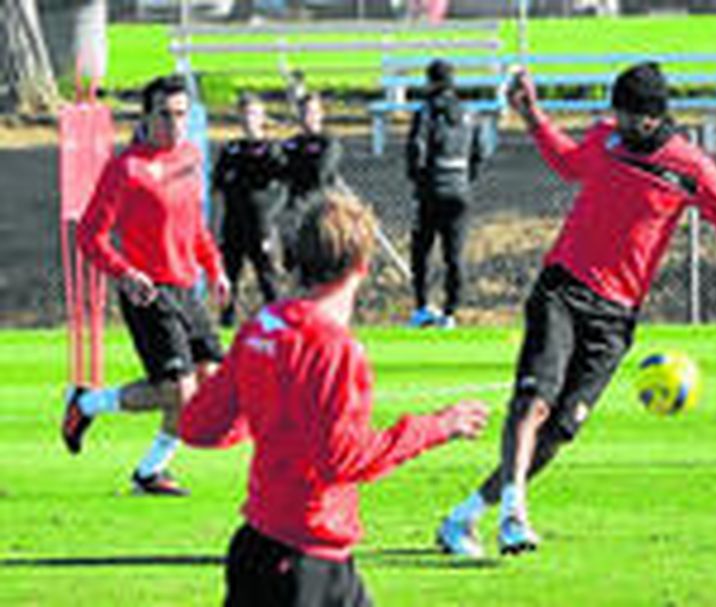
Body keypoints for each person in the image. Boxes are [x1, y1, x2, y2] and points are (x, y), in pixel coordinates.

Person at [433, 62, 716, 557]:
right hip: (563, 288)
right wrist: (533, 118)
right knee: (534, 400)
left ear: (653, 119)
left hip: (615, 317)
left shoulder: (690, 167)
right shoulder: (609, 137)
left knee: (561, 428)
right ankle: (514, 513)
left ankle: (465, 516)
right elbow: (569, 163)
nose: (618, 123)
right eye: (617, 113)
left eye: (629, 116)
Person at [180, 191, 490, 606]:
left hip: (257, 546)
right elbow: (343, 459)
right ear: (362, 266)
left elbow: (199, 427)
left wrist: (267, 413)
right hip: (306, 563)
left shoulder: (260, 327)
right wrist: (438, 426)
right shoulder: (335, 348)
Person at [61, 74, 231, 495]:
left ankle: (149, 471)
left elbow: (196, 228)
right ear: (147, 116)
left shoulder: (191, 157)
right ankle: (86, 405)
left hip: (186, 288)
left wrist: (216, 270)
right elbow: (90, 237)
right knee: (179, 390)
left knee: (210, 378)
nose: (175, 125)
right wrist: (125, 272)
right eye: (166, 115)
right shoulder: (126, 169)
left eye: (182, 115)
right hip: (147, 291)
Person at [406, 59, 486, 329]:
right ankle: (450, 313)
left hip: (431, 192)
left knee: (421, 253)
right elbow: (480, 152)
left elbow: (416, 152)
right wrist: (465, 180)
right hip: (460, 193)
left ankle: (421, 308)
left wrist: (418, 182)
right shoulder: (470, 113)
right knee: (454, 256)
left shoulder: (426, 113)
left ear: (431, 81)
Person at [213, 92, 289, 327]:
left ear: (262, 118)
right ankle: (226, 322)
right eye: (244, 114)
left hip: (259, 224)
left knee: (267, 277)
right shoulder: (231, 149)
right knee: (230, 276)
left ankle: (277, 322)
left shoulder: (271, 150)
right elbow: (219, 185)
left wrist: (270, 217)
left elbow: (279, 185)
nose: (248, 119)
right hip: (233, 223)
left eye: (254, 114)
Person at [280, 91, 343, 269]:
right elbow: (279, 168)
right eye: (304, 112)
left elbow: (319, 174)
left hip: (319, 203)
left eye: (313, 112)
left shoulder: (329, 143)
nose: (308, 117)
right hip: (295, 204)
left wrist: (295, 163)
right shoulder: (292, 143)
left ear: (321, 115)